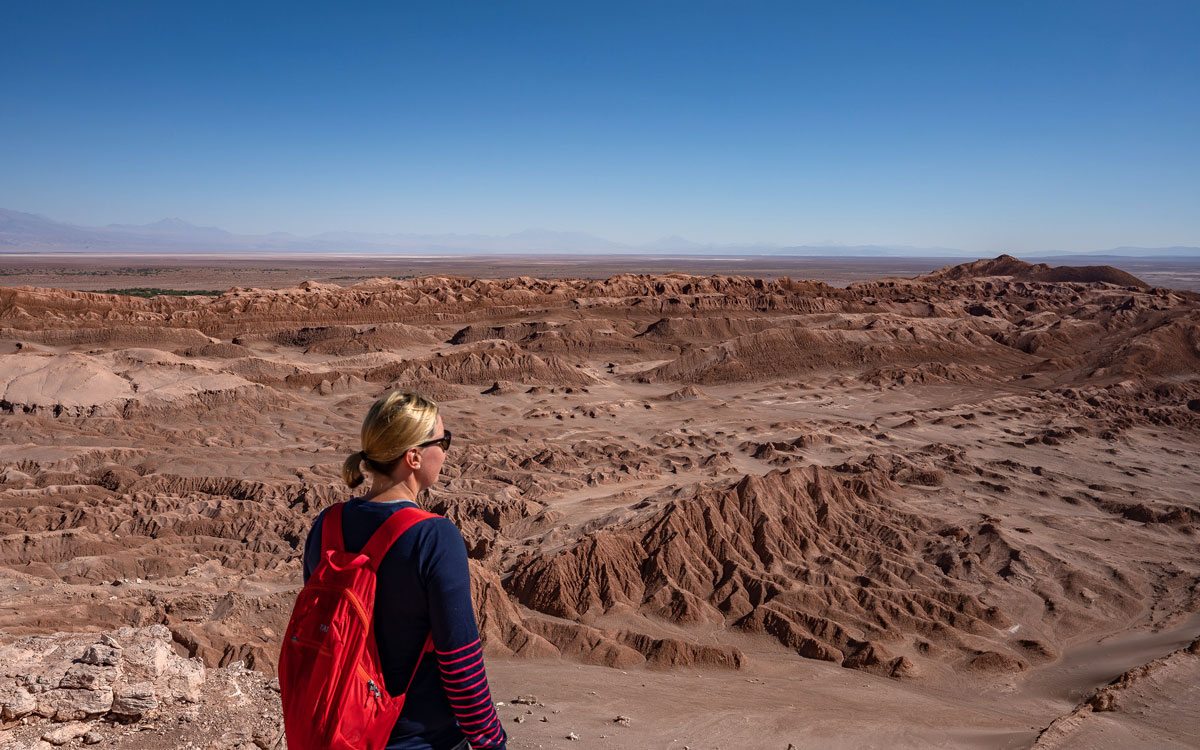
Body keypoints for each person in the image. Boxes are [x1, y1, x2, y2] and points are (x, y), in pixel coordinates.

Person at [302, 390, 507, 750]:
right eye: (442, 441)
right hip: (419, 741)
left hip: (339, 734)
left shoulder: (327, 526)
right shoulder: (434, 538)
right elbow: (461, 666)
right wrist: (492, 742)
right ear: (413, 456)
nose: (445, 452)